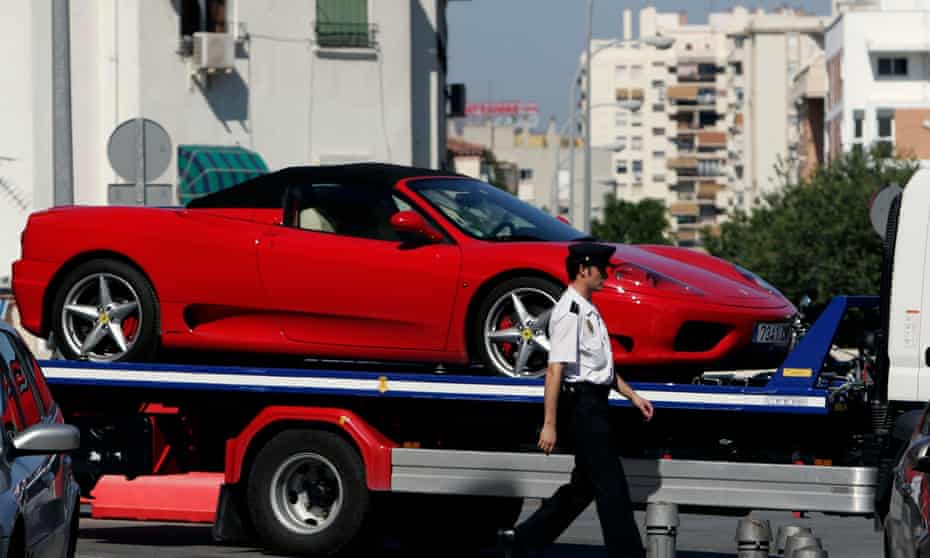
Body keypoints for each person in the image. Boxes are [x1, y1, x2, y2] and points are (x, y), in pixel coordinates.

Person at [499, 241, 654, 558]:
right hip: (583, 408)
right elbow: (555, 370)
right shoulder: (569, 313)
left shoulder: (587, 308)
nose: (606, 275)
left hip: (595, 402)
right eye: (602, 269)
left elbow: (601, 370)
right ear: (584, 270)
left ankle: (523, 540)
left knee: (582, 488)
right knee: (612, 487)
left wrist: (633, 396)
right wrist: (550, 425)